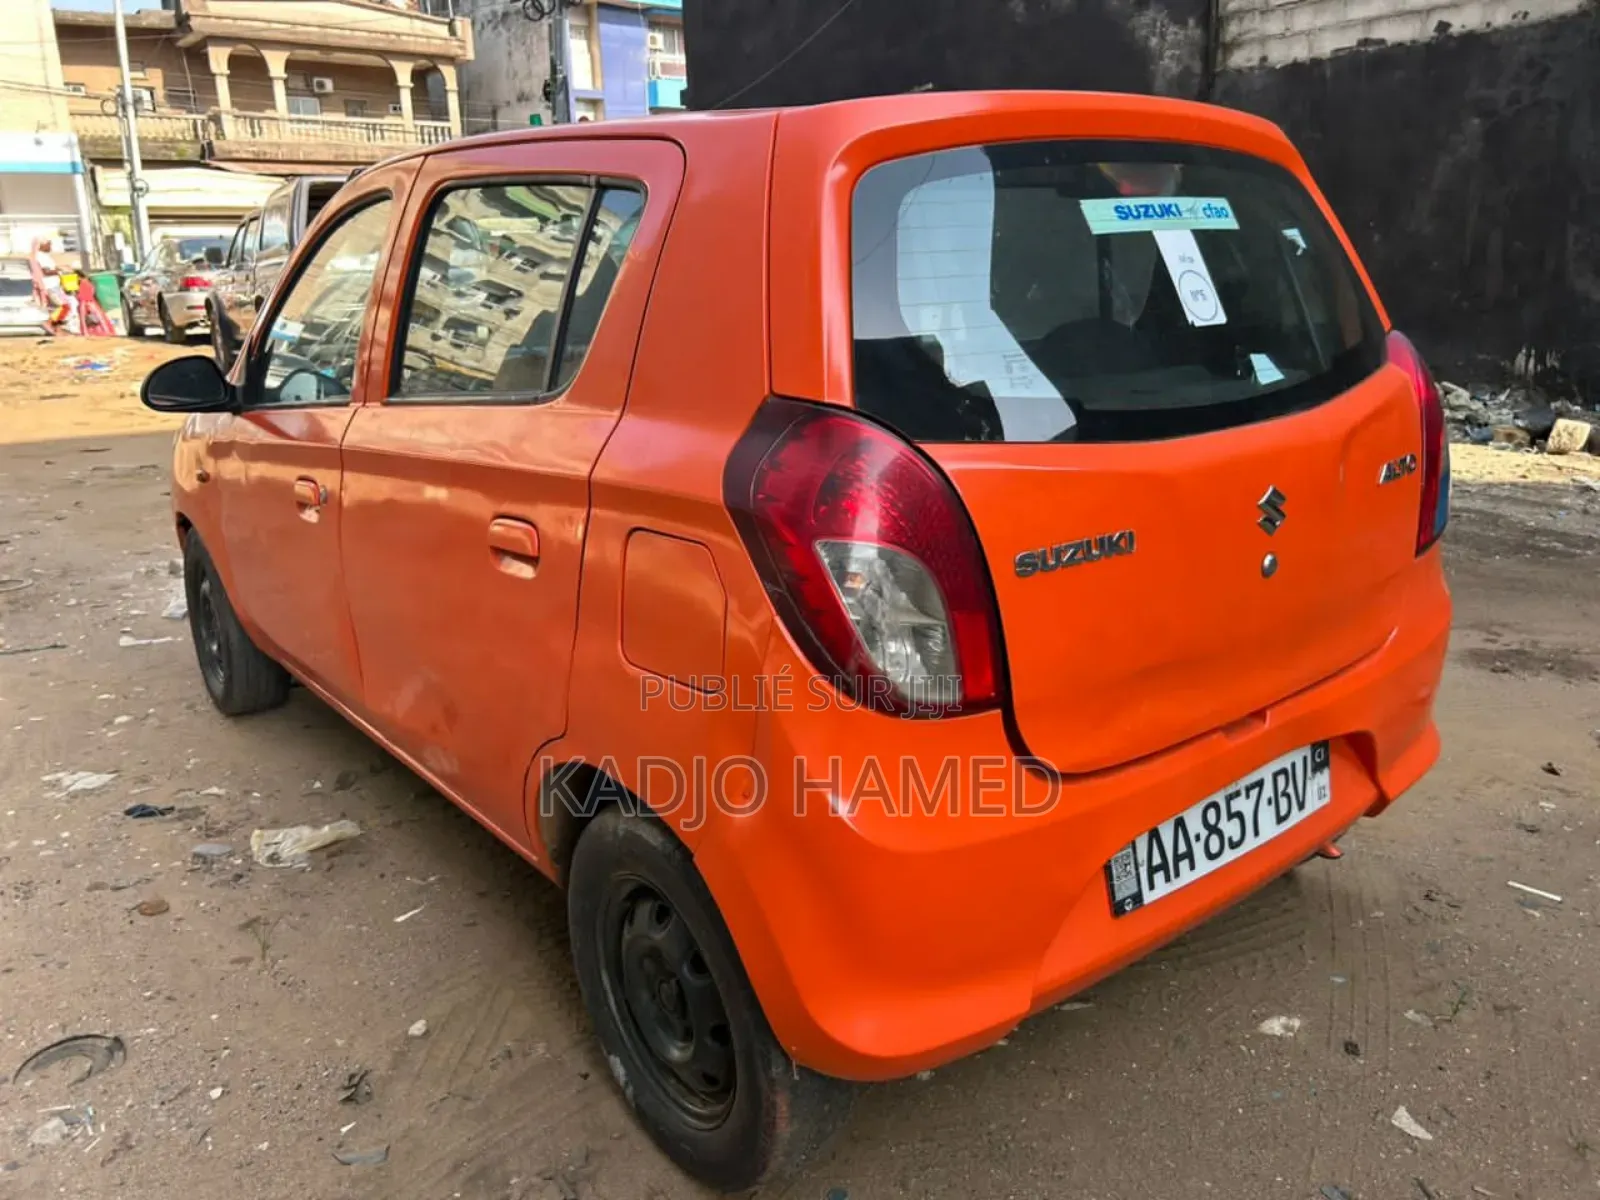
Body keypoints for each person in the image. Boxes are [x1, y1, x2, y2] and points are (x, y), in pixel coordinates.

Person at [29, 237, 79, 335]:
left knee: (63, 307)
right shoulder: (40, 257)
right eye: (49, 244)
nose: (50, 247)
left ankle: (56, 327)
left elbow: (50, 268)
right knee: (66, 306)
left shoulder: (44, 256)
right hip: (51, 286)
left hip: (53, 285)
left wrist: (61, 267)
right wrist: (60, 271)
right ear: (42, 245)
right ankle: (49, 323)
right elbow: (46, 271)